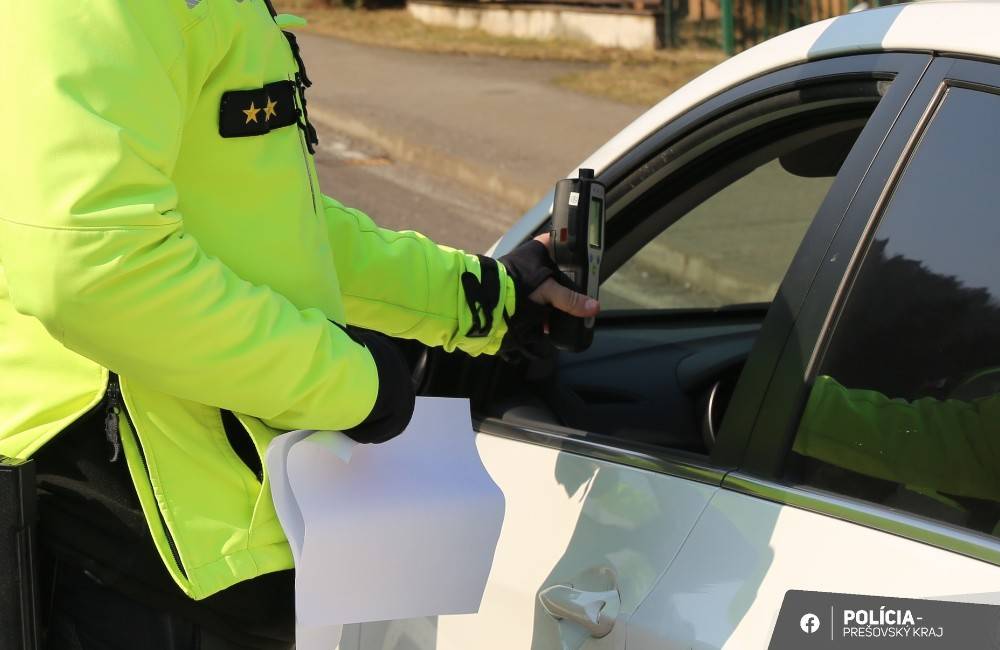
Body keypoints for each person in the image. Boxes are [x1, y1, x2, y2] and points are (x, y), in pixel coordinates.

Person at [0, 1, 598, 648]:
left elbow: (272, 223)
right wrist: (350, 385)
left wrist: (483, 297)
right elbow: (92, 264)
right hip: (124, 541)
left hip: (209, 543)